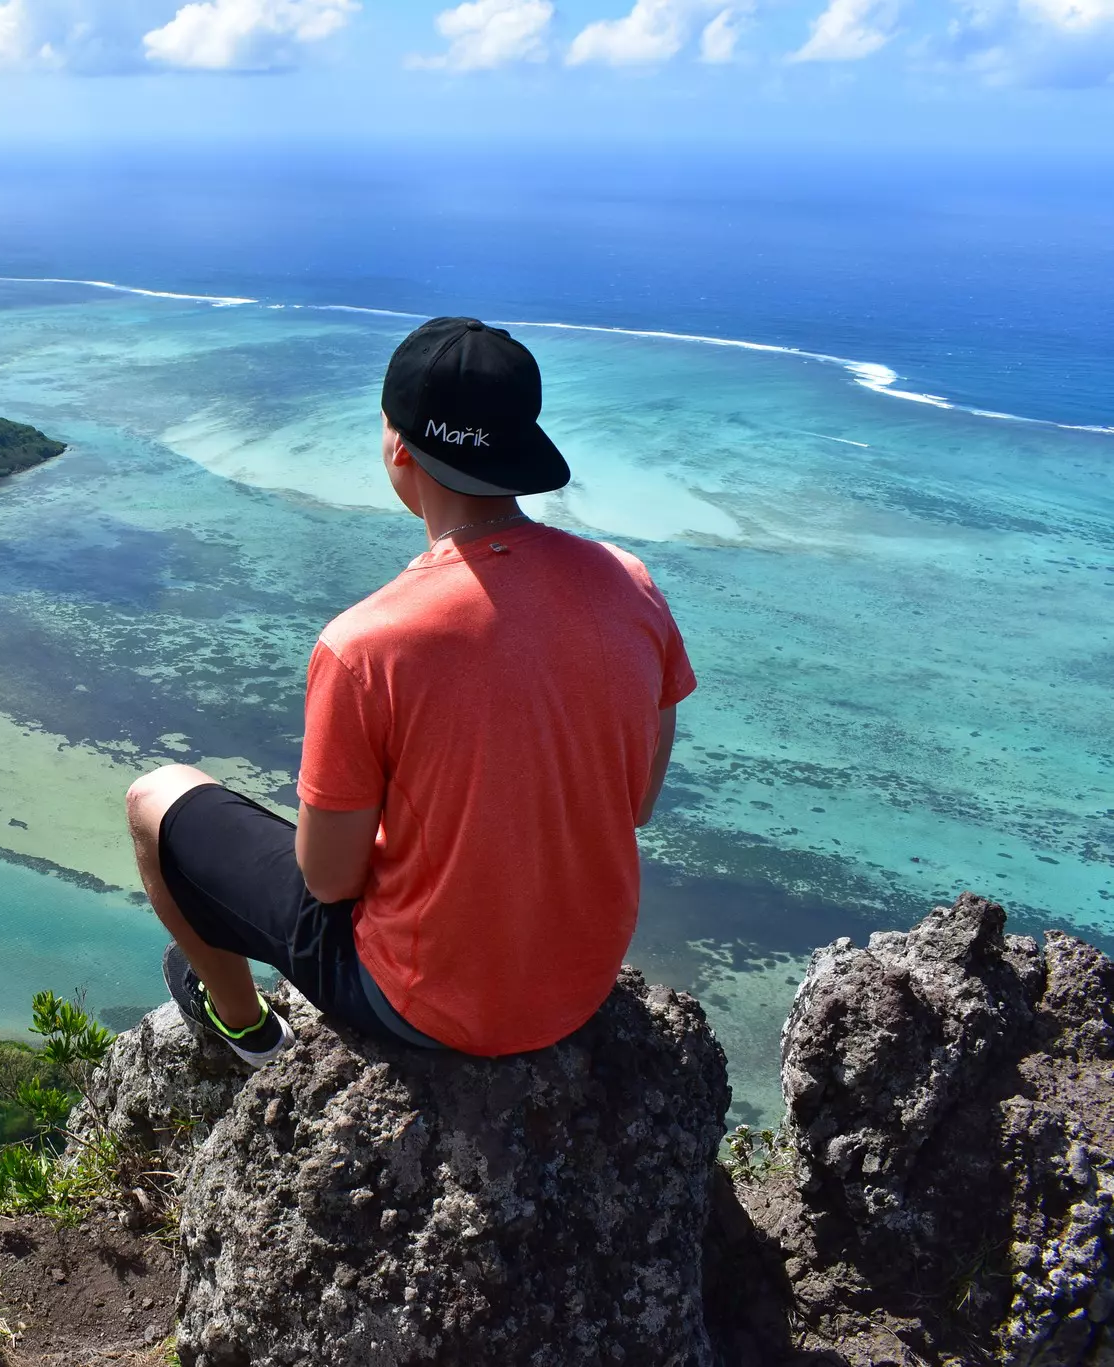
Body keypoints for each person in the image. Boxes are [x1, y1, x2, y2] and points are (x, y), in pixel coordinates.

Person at [125, 316, 696, 1066]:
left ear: (397, 446)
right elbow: (637, 803)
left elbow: (328, 881)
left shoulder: (368, 643)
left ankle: (245, 1026)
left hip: (428, 1004)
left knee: (154, 797)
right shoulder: (631, 584)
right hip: (579, 983)